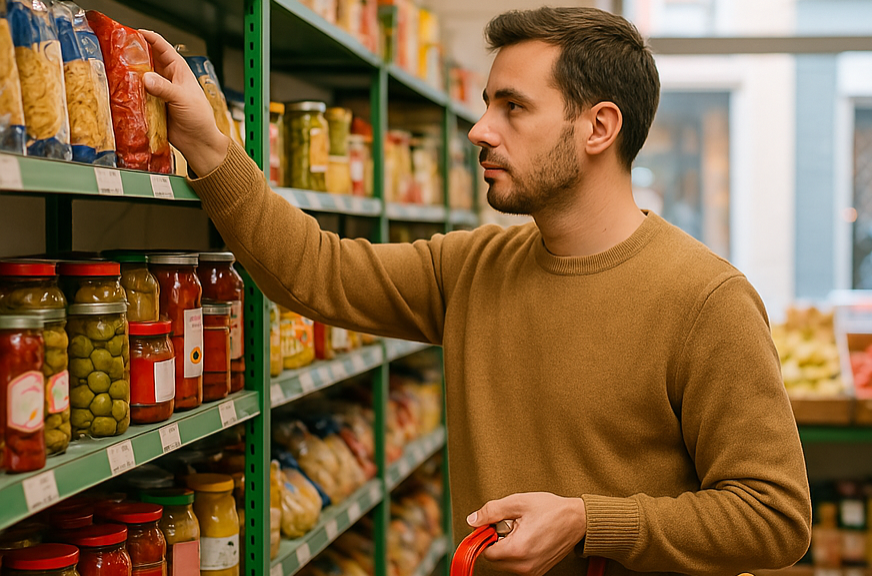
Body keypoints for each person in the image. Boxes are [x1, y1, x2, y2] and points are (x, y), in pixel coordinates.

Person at [140, 7, 811, 576]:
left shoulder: (705, 299)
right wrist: (210, 147)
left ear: (598, 128)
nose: (479, 129)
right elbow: (313, 271)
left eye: (512, 107)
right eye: (489, 102)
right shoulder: (472, 267)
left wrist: (586, 521)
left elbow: (775, 516)